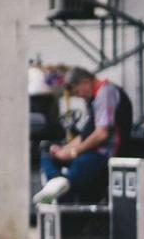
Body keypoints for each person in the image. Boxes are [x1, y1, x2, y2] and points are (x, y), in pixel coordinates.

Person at [34, 66, 133, 204]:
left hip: (103, 154)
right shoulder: (94, 100)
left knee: (77, 171)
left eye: (77, 92)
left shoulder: (106, 93)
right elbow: (84, 135)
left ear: (85, 82)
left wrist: (73, 152)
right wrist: (64, 150)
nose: (79, 96)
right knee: (47, 154)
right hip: (91, 151)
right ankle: (58, 181)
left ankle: (60, 183)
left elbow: (102, 134)